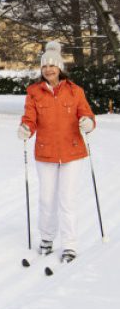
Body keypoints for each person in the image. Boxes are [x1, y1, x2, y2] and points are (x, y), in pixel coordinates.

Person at [18, 40, 96, 262]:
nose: (49, 69)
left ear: (60, 68)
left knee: (67, 200)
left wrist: (88, 123)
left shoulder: (75, 91)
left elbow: (87, 115)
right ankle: (47, 238)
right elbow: (29, 119)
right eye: (45, 66)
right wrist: (25, 129)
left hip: (72, 152)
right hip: (46, 153)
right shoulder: (34, 92)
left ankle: (70, 245)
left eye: (53, 65)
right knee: (46, 198)